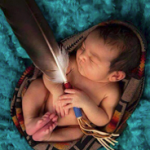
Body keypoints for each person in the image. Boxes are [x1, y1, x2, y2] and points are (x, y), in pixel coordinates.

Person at [22, 23, 141, 142]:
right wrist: (57, 92)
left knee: (80, 132)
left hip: (68, 124)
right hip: (44, 103)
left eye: (93, 59)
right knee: (37, 86)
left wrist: (86, 103)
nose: (82, 56)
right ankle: (30, 120)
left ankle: (49, 136)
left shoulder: (111, 91)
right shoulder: (73, 64)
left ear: (115, 75)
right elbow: (49, 75)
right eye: (83, 48)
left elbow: (103, 119)